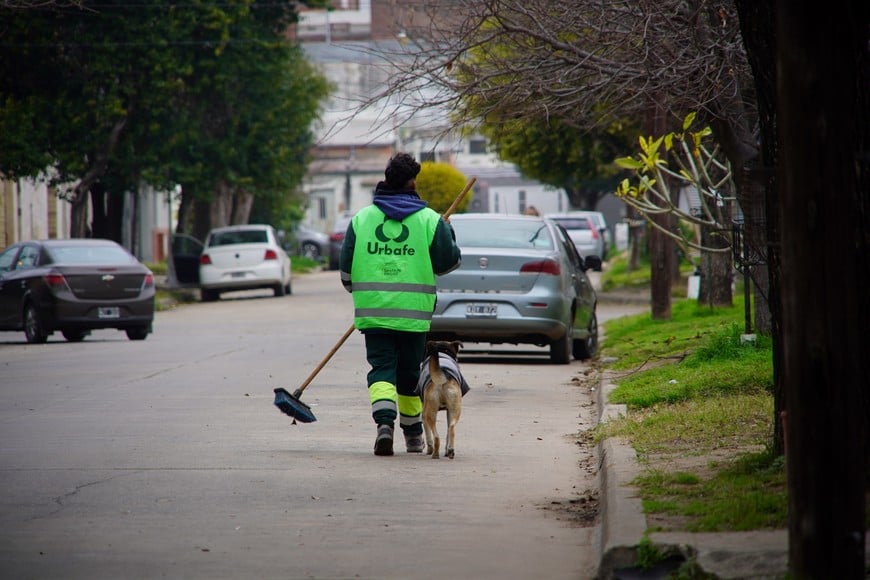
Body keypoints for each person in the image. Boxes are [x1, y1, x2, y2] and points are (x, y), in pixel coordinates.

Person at [339, 153, 462, 456]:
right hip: (413, 314)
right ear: (413, 182)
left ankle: (384, 425)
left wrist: (362, 292)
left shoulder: (361, 219)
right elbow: (449, 262)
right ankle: (412, 435)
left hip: (374, 311)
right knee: (409, 375)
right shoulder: (430, 220)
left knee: (381, 369)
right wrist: (446, 231)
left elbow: (346, 271)